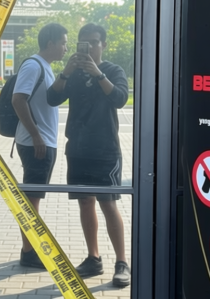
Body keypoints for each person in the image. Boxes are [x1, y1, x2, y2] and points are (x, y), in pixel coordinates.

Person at [47, 23, 131, 287]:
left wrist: (98, 73)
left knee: (108, 203)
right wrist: (66, 72)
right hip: (78, 148)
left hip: (105, 149)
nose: (90, 47)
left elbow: (120, 99)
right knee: (85, 202)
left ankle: (122, 262)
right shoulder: (73, 73)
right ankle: (93, 258)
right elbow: (52, 98)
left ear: (103, 44)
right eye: (84, 43)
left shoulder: (113, 70)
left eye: (95, 42)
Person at [12, 22, 68, 269]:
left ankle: (29, 249)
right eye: (63, 43)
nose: (66, 48)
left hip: (43, 141)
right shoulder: (34, 65)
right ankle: (29, 252)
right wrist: (36, 136)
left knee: (34, 198)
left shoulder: (46, 67)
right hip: (36, 143)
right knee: (31, 200)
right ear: (50, 43)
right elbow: (18, 100)